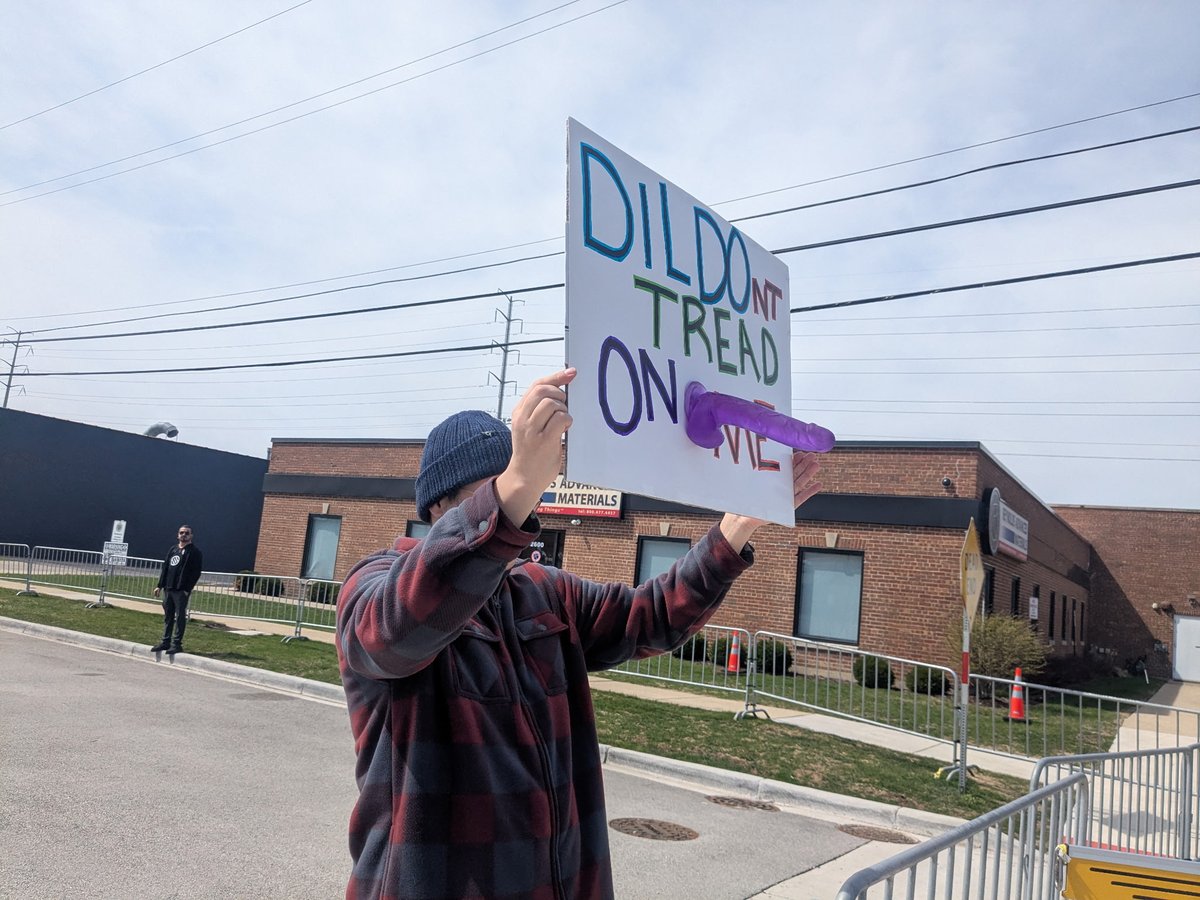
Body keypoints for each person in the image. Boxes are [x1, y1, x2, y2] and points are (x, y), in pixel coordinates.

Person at [335, 368, 822, 900]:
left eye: (529, 488)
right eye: (499, 490)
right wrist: (515, 483)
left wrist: (736, 527)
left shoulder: (543, 592)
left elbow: (654, 615)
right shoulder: (375, 585)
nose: (522, 509)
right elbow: (394, 634)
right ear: (437, 509)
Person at [151, 524, 203, 654]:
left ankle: (177, 643)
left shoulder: (194, 552)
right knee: (168, 616)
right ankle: (165, 642)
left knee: (180, 616)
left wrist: (187, 589)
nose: (183, 535)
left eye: (186, 533)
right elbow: (165, 568)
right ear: (177, 535)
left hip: (181, 590)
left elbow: (196, 573)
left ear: (191, 536)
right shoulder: (173, 550)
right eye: (181, 533)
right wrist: (160, 585)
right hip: (169, 588)